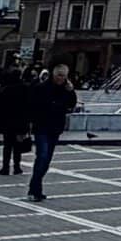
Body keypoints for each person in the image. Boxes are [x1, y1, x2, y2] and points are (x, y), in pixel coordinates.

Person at [27, 65, 78, 202]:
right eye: (59, 75)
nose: (61, 78)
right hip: (41, 127)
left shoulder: (66, 90)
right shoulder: (41, 88)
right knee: (42, 156)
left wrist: (71, 91)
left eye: (63, 76)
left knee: (46, 160)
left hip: (55, 128)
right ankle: (34, 190)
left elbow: (72, 104)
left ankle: (36, 188)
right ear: (53, 75)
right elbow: (32, 106)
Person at [0, 68, 29, 176]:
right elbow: (28, 107)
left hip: (8, 122)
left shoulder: (6, 90)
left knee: (7, 146)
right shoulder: (25, 89)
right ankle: (17, 167)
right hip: (20, 122)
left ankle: (5, 167)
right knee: (17, 146)